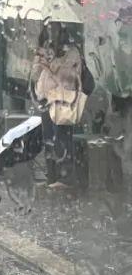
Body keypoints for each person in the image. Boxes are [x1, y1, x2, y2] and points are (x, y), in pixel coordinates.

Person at [31, 22, 92, 188]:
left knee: (61, 137)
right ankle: (51, 175)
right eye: (49, 29)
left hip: (62, 101)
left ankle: (64, 176)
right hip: (45, 99)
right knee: (48, 138)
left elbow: (71, 76)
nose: (52, 33)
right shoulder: (45, 50)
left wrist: (53, 64)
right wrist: (39, 60)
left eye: (55, 29)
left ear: (62, 31)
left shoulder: (72, 52)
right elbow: (35, 74)